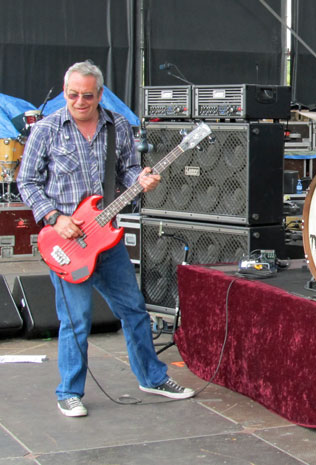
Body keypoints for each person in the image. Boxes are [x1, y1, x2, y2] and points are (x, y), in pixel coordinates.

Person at [17, 61, 196, 418]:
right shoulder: (47, 130)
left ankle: (153, 377)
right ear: (65, 92)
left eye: (87, 95)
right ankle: (69, 392)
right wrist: (56, 218)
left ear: (100, 94)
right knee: (76, 320)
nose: (79, 101)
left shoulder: (117, 126)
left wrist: (141, 180)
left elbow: (128, 171)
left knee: (133, 310)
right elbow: (27, 182)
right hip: (65, 242)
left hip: (107, 240)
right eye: (72, 95)